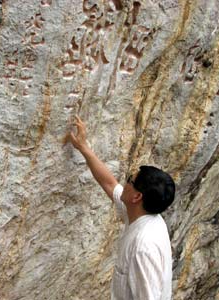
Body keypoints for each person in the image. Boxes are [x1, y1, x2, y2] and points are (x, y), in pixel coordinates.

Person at [68, 115, 175, 300]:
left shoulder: (144, 248)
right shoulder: (144, 213)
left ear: (137, 196)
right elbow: (109, 183)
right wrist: (83, 147)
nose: (124, 183)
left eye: (129, 180)